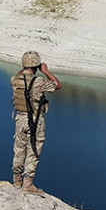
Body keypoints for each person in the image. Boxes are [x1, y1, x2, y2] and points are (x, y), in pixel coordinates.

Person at [10, 50, 62, 195]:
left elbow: (20, 75)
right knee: (33, 150)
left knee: (19, 149)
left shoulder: (15, 80)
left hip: (20, 120)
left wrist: (25, 67)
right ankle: (28, 184)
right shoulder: (38, 82)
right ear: (36, 65)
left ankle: (17, 181)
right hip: (35, 120)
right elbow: (57, 85)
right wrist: (45, 71)